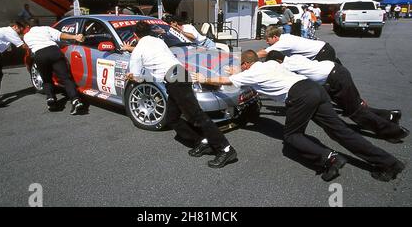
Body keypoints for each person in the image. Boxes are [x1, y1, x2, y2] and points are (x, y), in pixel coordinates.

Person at [192, 50, 405, 182]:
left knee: (292, 136)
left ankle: (330, 159)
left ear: (246, 64)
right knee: (340, 131)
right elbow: (241, 76)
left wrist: (205, 77)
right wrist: (235, 73)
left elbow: (226, 81)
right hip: (314, 89)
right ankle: (388, 163)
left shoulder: (249, 72)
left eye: (241, 65)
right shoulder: (271, 64)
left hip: (300, 97)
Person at [124, 21, 237, 168]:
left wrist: (129, 76)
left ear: (135, 35)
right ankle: (202, 141)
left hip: (174, 79)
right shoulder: (158, 41)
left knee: (196, 116)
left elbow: (138, 77)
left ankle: (226, 149)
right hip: (178, 74)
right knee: (172, 118)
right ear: (149, 31)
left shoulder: (138, 50)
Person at [265, 51, 409, 143]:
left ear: (277, 61)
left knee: (355, 112)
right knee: (351, 107)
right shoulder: (294, 57)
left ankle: (393, 131)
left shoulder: (287, 66)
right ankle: (390, 115)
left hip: (334, 78)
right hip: (336, 71)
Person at [23, 22, 85, 115]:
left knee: (47, 79)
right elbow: (60, 35)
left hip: (40, 55)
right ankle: (76, 100)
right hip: (54, 51)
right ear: (38, 23)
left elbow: (27, 46)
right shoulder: (46, 28)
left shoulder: (26, 36)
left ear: (28, 27)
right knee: (66, 78)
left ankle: (51, 99)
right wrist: (75, 37)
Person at [257, 26, 341, 63]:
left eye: (268, 40)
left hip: (323, 53)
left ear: (275, 37)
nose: (267, 42)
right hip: (324, 49)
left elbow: (263, 53)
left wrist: (245, 58)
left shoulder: (283, 43)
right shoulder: (285, 37)